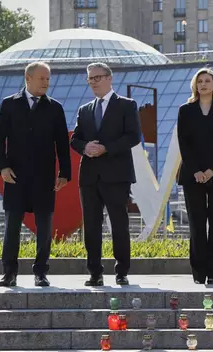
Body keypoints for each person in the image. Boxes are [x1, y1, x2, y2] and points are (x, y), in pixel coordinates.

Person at [0, 61, 71, 287]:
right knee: (12, 226)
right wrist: (3, 166)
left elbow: (62, 144)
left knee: (44, 226)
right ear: (28, 78)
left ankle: (41, 272)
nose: (46, 82)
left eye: (48, 78)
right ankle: (9, 273)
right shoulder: (9, 104)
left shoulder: (55, 108)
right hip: (15, 176)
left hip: (44, 177)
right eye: (42, 78)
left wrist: (64, 173)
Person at [71, 62, 142, 286]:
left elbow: (133, 136)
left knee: (119, 224)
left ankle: (122, 271)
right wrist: (85, 147)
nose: (93, 82)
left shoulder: (127, 105)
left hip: (117, 175)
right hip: (90, 177)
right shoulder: (85, 110)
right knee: (91, 226)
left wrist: (106, 148)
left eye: (97, 77)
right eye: (90, 78)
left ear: (110, 78)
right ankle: (95, 272)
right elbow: (75, 139)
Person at [177, 68, 213, 285]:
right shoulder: (185, 110)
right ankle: (198, 273)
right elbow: (184, 143)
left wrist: (211, 169)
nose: (203, 84)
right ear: (195, 85)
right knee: (197, 224)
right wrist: (196, 171)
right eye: (199, 81)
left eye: (207, 81)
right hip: (192, 175)